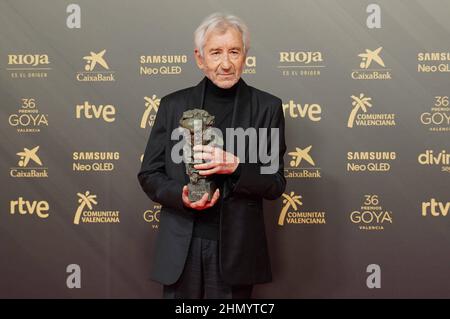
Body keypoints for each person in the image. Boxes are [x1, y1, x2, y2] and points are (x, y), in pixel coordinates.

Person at [138, 12, 286, 299]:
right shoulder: (173, 105)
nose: (226, 63)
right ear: (200, 57)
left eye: (234, 51)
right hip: (182, 247)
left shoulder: (267, 107)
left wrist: (237, 167)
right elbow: (149, 174)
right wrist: (178, 194)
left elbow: (276, 183)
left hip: (238, 252)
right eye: (216, 52)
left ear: (245, 55)